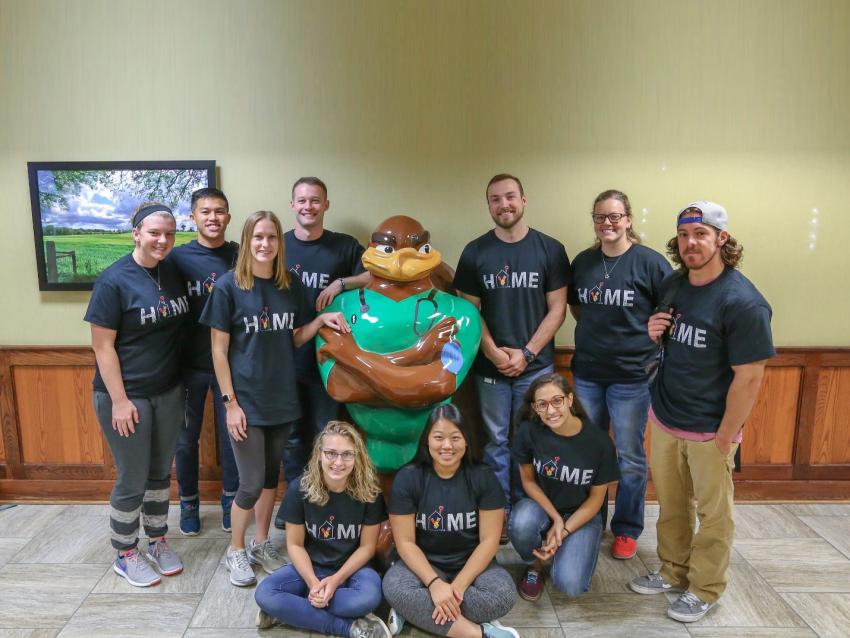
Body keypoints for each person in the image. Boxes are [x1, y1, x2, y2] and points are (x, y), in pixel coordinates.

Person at [629, 201, 774, 622]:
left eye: (702, 235)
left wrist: (727, 436)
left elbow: (749, 379)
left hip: (711, 430)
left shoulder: (744, 302)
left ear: (721, 239)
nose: (691, 243)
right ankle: (674, 570)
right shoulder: (675, 284)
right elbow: (670, 338)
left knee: (714, 516)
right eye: (685, 236)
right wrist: (654, 330)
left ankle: (705, 588)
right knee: (672, 504)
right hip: (667, 417)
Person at [200, 210, 350, 587]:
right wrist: (230, 403)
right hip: (245, 402)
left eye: (271, 237)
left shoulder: (290, 284)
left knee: (271, 479)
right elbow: (219, 351)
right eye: (258, 238)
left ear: (280, 243)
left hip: (282, 398)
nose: (265, 244)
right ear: (248, 241)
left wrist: (317, 323)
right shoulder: (229, 287)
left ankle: (261, 544)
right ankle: (235, 549)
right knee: (249, 484)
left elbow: (294, 337)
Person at [454, 173, 570, 540]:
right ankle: (499, 514)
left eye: (509, 197)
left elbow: (558, 309)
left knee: (531, 440)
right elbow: (468, 313)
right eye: (495, 199)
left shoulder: (550, 249)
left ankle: (527, 512)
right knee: (495, 441)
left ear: (523, 200)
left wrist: (528, 352)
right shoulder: (475, 252)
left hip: (537, 367)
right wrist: (491, 349)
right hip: (490, 368)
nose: (503, 205)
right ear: (488, 205)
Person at [85, 202, 190, 587]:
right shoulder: (114, 280)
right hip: (126, 397)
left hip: (167, 391)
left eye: (169, 233)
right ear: (136, 234)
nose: (162, 240)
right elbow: (102, 347)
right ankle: (125, 552)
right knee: (133, 478)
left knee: (160, 473)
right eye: (154, 233)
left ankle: (158, 541)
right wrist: (120, 400)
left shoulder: (172, 272)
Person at [567, 189, 672, 559]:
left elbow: (670, 311)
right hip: (588, 374)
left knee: (629, 455)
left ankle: (626, 529)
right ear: (594, 222)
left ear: (628, 219)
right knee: (590, 452)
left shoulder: (650, 263)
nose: (607, 223)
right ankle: (590, 521)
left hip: (632, 377)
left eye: (614, 216)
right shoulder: (582, 262)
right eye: (600, 217)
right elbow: (578, 309)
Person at [276, 176, 370, 528]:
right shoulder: (279, 246)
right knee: (291, 441)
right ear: (292, 205)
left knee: (325, 437)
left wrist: (341, 283)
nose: (308, 207)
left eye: (315, 201)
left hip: (330, 363)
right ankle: (293, 509)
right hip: (285, 361)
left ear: (326, 205)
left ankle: (322, 507)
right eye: (301, 200)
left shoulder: (344, 247)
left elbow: (374, 276)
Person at [383, 404, 519, 638]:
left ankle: (416, 612)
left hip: (472, 567)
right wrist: (434, 584)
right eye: (438, 437)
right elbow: (404, 543)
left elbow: (489, 541)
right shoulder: (408, 477)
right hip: (424, 566)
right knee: (393, 586)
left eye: (455, 437)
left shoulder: (483, 477)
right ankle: (481, 633)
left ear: (466, 441)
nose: (447, 445)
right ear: (427, 440)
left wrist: (456, 588)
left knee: (503, 594)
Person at [255, 421, 390, 637]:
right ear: (319, 454)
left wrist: (334, 582)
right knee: (265, 593)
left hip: (354, 570)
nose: (338, 462)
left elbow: (367, 548)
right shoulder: (300, 488)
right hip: (313, 568)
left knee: (367, 599)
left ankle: (291, 611)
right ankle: (348, 627)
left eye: (347, 454)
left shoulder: (370, 492)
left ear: (357, 457)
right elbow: (295, 544)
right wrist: (313, 583)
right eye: (331, 453)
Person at [508, 373, 619, 601]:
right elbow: (528, 481)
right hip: (543, 508)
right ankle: (536, 565)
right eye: (542, 404)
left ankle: (562, 548)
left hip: (582, 515)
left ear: (569, 400)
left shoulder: (599, 443)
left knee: (570, 585)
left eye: (557, 401)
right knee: (520, 522)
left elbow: (596, 500)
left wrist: (565, 529)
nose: (550, 411)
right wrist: (556, 519)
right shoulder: (529, 431)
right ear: (534, 408)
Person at [168, 187, 240, 535]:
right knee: (185, 440)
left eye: (220, 211)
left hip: (230, 364)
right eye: (205, 211)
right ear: (192, 217)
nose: (213, 217)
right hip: (186, 365)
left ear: (229, 216)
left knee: (232, 437)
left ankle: (231, 501)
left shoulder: (241, 256)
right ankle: (189, 503)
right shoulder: (176, 259)